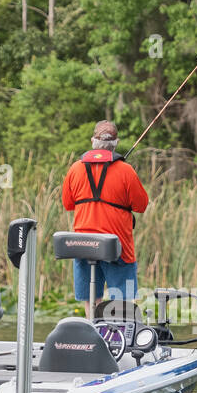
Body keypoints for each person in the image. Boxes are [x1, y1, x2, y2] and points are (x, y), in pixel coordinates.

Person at [61, 120, 149, 305]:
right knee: (122, 301)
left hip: (83, 244)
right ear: (115, 143)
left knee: (91, 301)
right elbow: (141, 206)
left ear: (93, 141)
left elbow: (68, 204)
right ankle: (120, 332)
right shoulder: (126, 170)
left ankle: (92, 328)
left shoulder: (75, 169)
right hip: (117, 245)